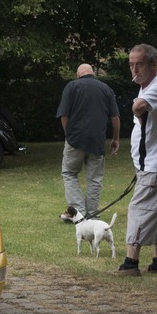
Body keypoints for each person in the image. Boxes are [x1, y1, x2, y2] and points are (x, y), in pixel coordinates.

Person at [115, 44, 157, 276]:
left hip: (156, 164)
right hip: (154, 163)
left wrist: (136, 109)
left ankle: (130, 264)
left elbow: (139, 106)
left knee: (140, 209)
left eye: (139, 64)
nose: (134, 69)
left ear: (153, 65)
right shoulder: (149, 88)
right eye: (131, 64)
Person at [56, 63, 120, 221]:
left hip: (75, 139)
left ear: (78, 74)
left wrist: (68, 135)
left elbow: (64, 115)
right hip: (97, 141)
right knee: (95, 179)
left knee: (69, 173)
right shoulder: (106, 89)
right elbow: (115, 117)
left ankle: (78, 213)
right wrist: (116, 138)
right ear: (93, 73)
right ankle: (92, 214)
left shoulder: (72, 86)